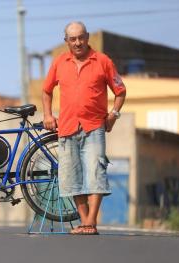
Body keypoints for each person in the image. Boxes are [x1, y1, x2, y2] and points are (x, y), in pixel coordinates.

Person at [42, 21, 126, 235]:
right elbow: (46, 90)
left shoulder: (103, 61)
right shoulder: (59, 62)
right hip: (67, 126)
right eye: (73, 39)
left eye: (81, 37)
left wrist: (113, 115)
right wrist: (48, 115)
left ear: (87, 37)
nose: (77, 42)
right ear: (66, 41)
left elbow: (120, 91)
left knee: (96, 172)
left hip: (94, 126)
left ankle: (90, 223)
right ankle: (86, 222)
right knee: (72, 176)